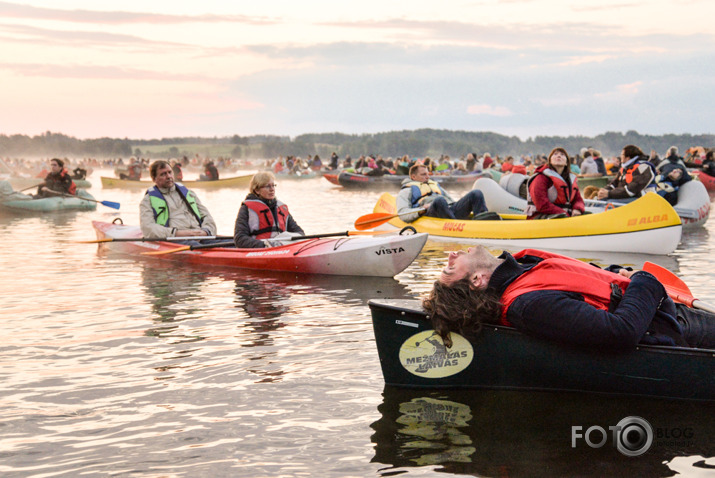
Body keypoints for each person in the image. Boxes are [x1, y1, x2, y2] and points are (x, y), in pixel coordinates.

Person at [423, 246, 715, 351]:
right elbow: (621, 332)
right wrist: (644, 280)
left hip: (662, 309)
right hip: (675, 328)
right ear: (477, 280)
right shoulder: (528, 306)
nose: (451, 255)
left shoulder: (524, 266)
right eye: (450, 267)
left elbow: (585, 282)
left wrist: (617, 273)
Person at [139, 160, 217, 239]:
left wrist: (206, 231)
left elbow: (207, 217)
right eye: (163, 174)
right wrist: (176, 233)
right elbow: (147, 228)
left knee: (229, 246)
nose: (168, 176)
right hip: (175, 239)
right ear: (154, 179)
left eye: (170, 172)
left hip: (201, 236)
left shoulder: (189, 194)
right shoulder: (147, 201)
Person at [396, 164, 493, 222]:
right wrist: (420, 209)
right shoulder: (406, 190)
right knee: (439, 200)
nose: (427, 177)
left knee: (476, 193)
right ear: (413, 177)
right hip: (431, 212)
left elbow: (451, 201)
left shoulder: (435, 185)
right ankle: (456, 226)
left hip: (448, 209)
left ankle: (482, 220)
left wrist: (462, 205)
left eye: (428, 174)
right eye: (423, 174)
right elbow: (402, 213)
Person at [233, 172, 305, 248]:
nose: (272, 189)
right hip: (259, 251)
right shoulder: (246, 208)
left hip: (282, 249)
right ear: (257, 190)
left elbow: (300, 233)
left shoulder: (281, 208)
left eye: (273, 185)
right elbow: (239, 239)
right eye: (267, 186)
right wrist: (265, 245)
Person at [525, 147, 585, 219]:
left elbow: (578, 199)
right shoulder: (540, 177)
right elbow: (542, 205)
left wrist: (577, 209)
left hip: (563, 214)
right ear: (550, 160)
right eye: (555, 154)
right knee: (562, 217)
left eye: (562, 155)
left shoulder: (570, 179)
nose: (558, 156)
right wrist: (565, 213)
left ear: (566, 163)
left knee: (587, 214)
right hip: (541, 216)